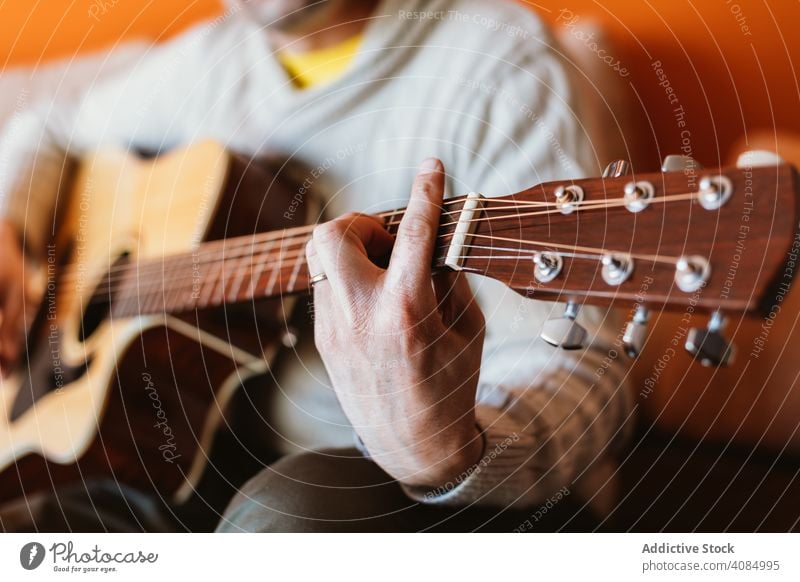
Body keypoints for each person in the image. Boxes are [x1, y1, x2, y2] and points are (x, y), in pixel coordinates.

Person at [0, 0, 632, 531]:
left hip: (427, 495)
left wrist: (452, 452)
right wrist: (9, 225)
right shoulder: (197, 67)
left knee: (284, 516)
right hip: (182, 470)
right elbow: (49, 128)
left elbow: (583, 356)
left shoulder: (499, 63)